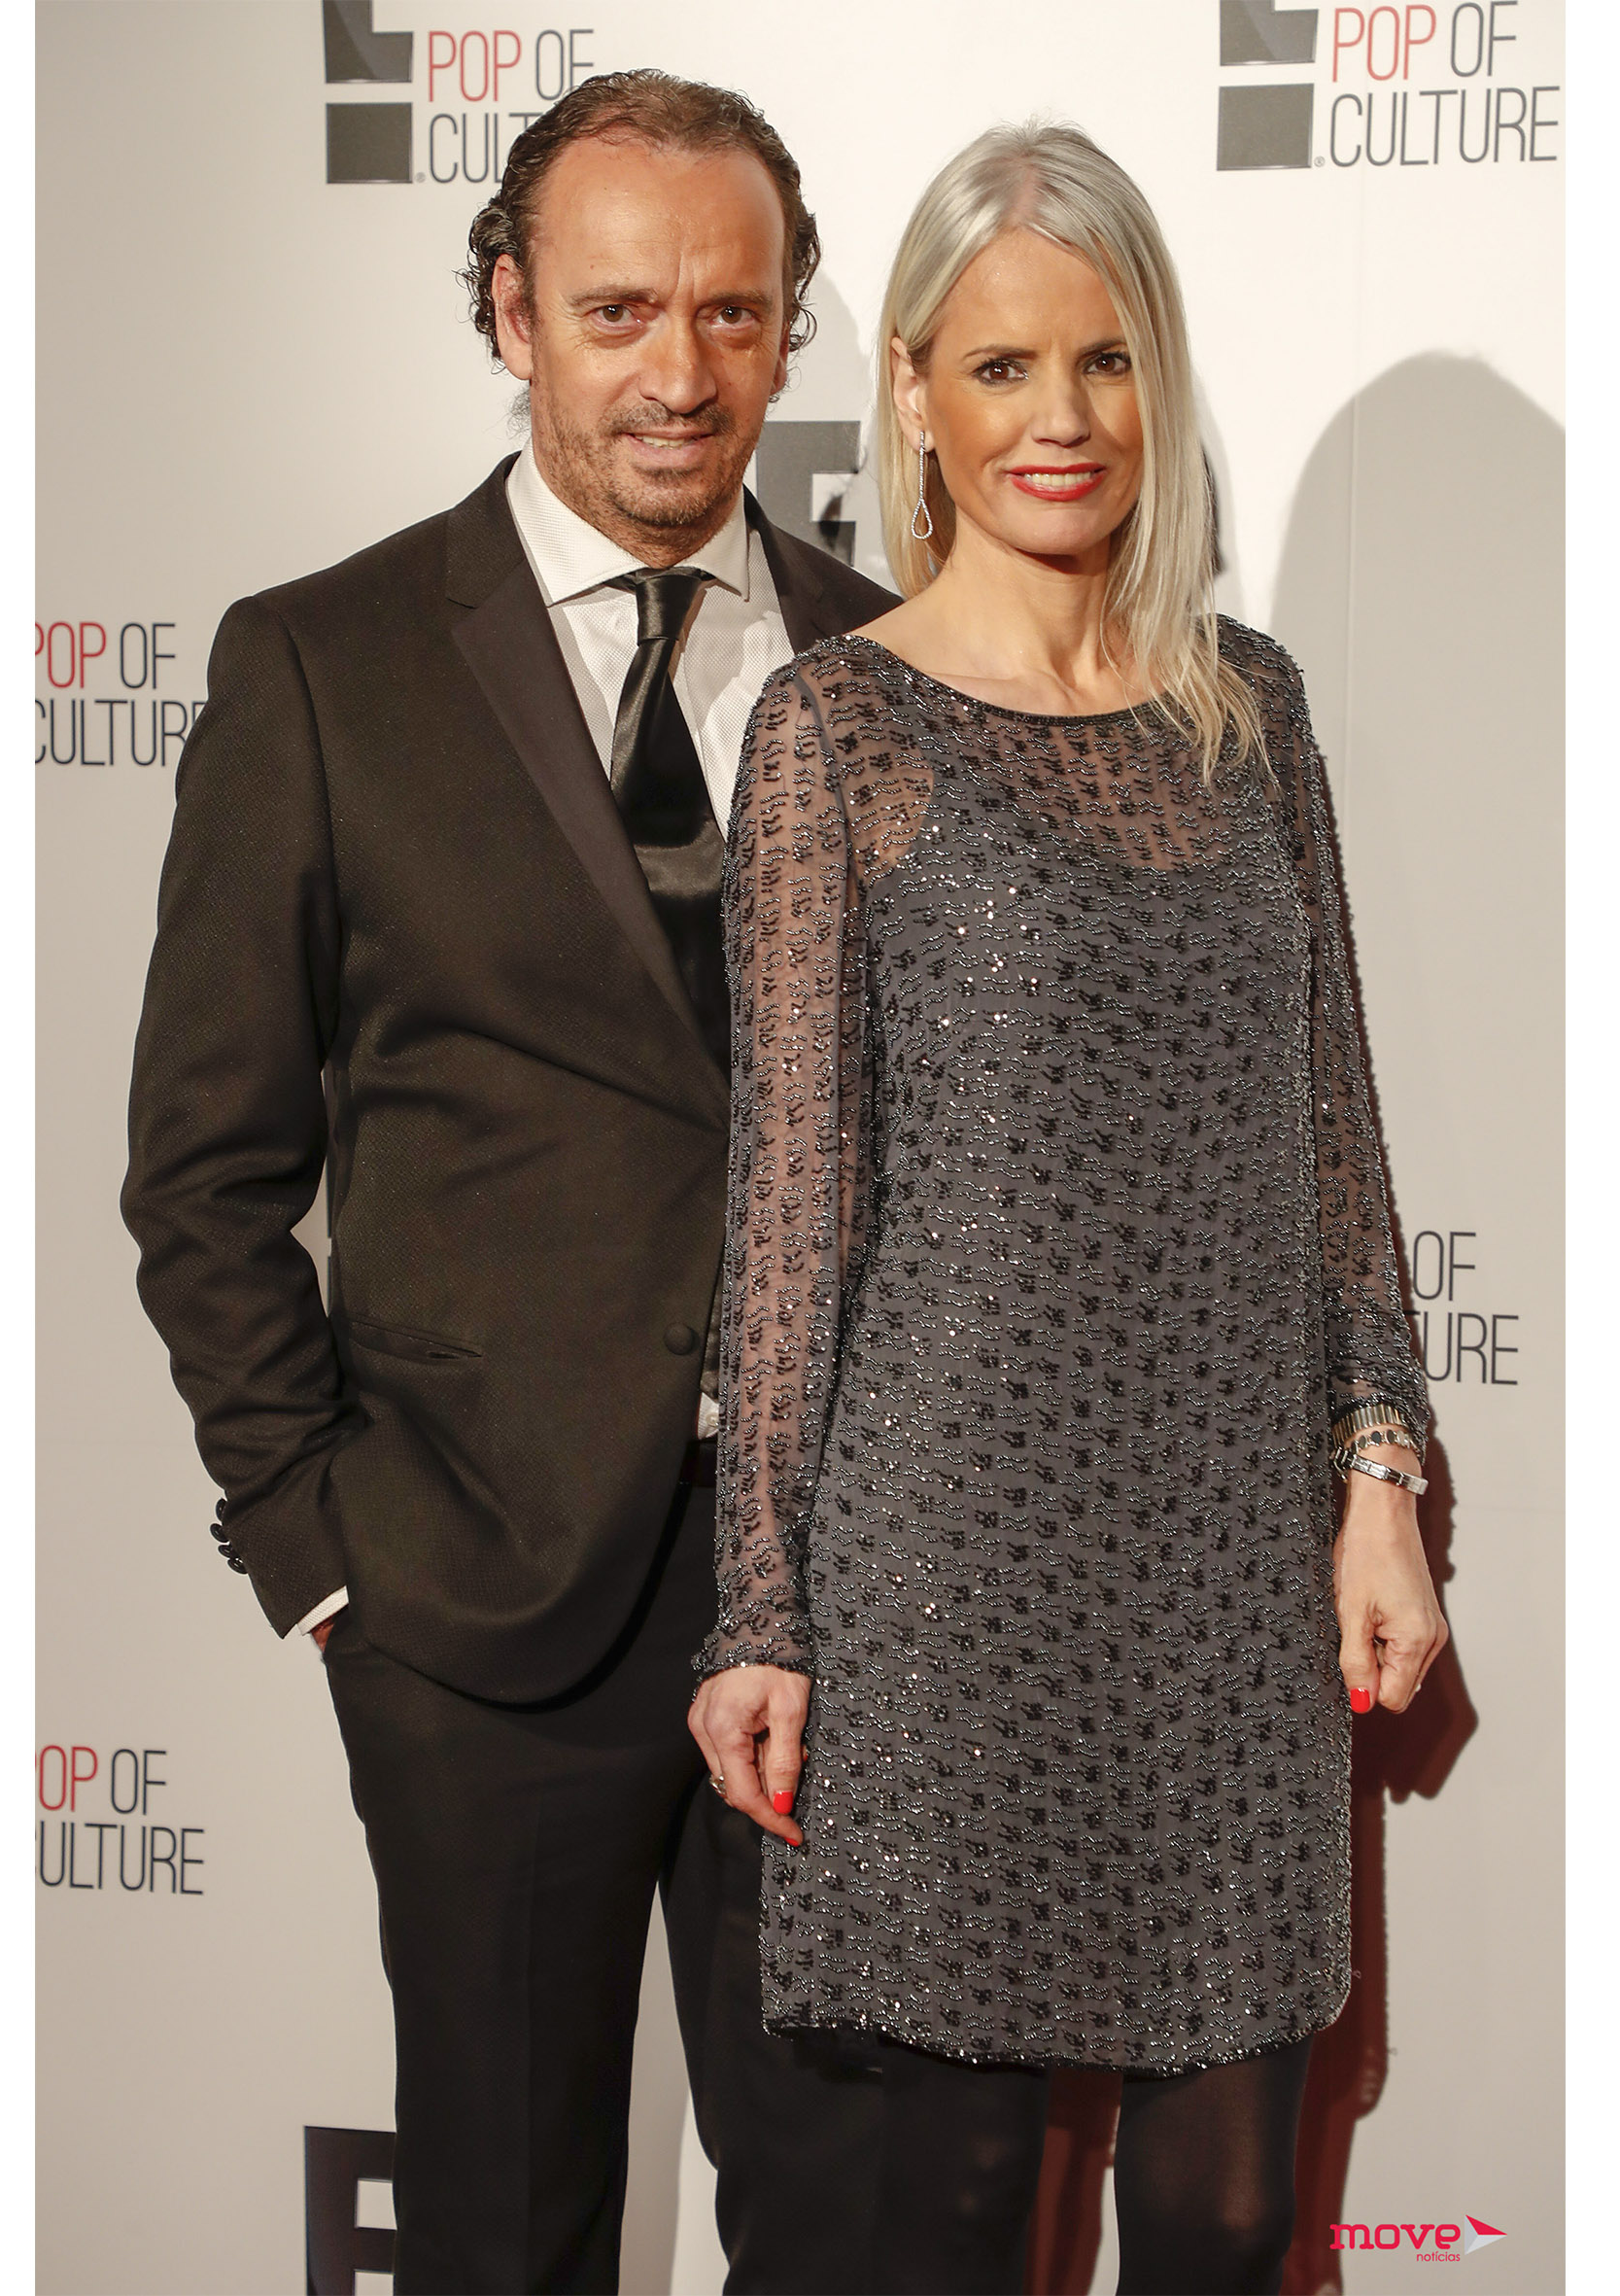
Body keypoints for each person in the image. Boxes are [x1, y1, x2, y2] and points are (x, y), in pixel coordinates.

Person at [124, 70, 888, 2295]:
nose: (680, 371)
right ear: (509, 313)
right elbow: (204, 1163)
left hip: (848, 1589)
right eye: (620, 308)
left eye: (731, 312)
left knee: (847, 2231)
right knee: (503, 2233)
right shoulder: (323, 660)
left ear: (788, 328)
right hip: (473, 1594)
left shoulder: (893, 660)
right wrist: (318, 1545)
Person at [685, 122, 1445, 2296]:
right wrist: (761, 1606)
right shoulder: (836, 730)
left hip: (1224, 1559)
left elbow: (1335, 1126)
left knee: (1227, 2213)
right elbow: (791, 1212)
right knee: (947, 2210)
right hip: (950, 1569)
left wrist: (1377, 1472)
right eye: (1004, 365)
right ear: (913, 388)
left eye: (1104, 361)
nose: (1061, 418)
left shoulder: (1248, 707)